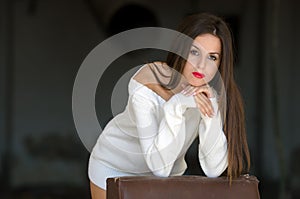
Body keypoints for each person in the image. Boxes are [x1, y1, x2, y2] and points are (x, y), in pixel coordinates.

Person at [88, 13, 251, 199]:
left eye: (212, 57)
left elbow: (213, 169)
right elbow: (159, 167)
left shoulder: (209, 95)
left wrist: (210, 112)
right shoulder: (147, 83)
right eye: (194, 52)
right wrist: (178, 105)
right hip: (115, 165)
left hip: (166, 177)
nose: (201, 65)